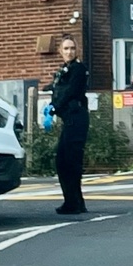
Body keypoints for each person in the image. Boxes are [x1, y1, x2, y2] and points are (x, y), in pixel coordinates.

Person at [45, 35, 90, 215]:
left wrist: (54, 107)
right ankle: (73, 201)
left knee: (70, 161)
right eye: (66, 49)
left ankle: (74, 203)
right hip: (69, 119)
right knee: (63, 161)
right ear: (60, 51)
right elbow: (57, 89)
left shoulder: (78, 69)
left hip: (77, 118)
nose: (69, 52)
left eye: (72, 48)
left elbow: (71, 91)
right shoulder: (64, 70)